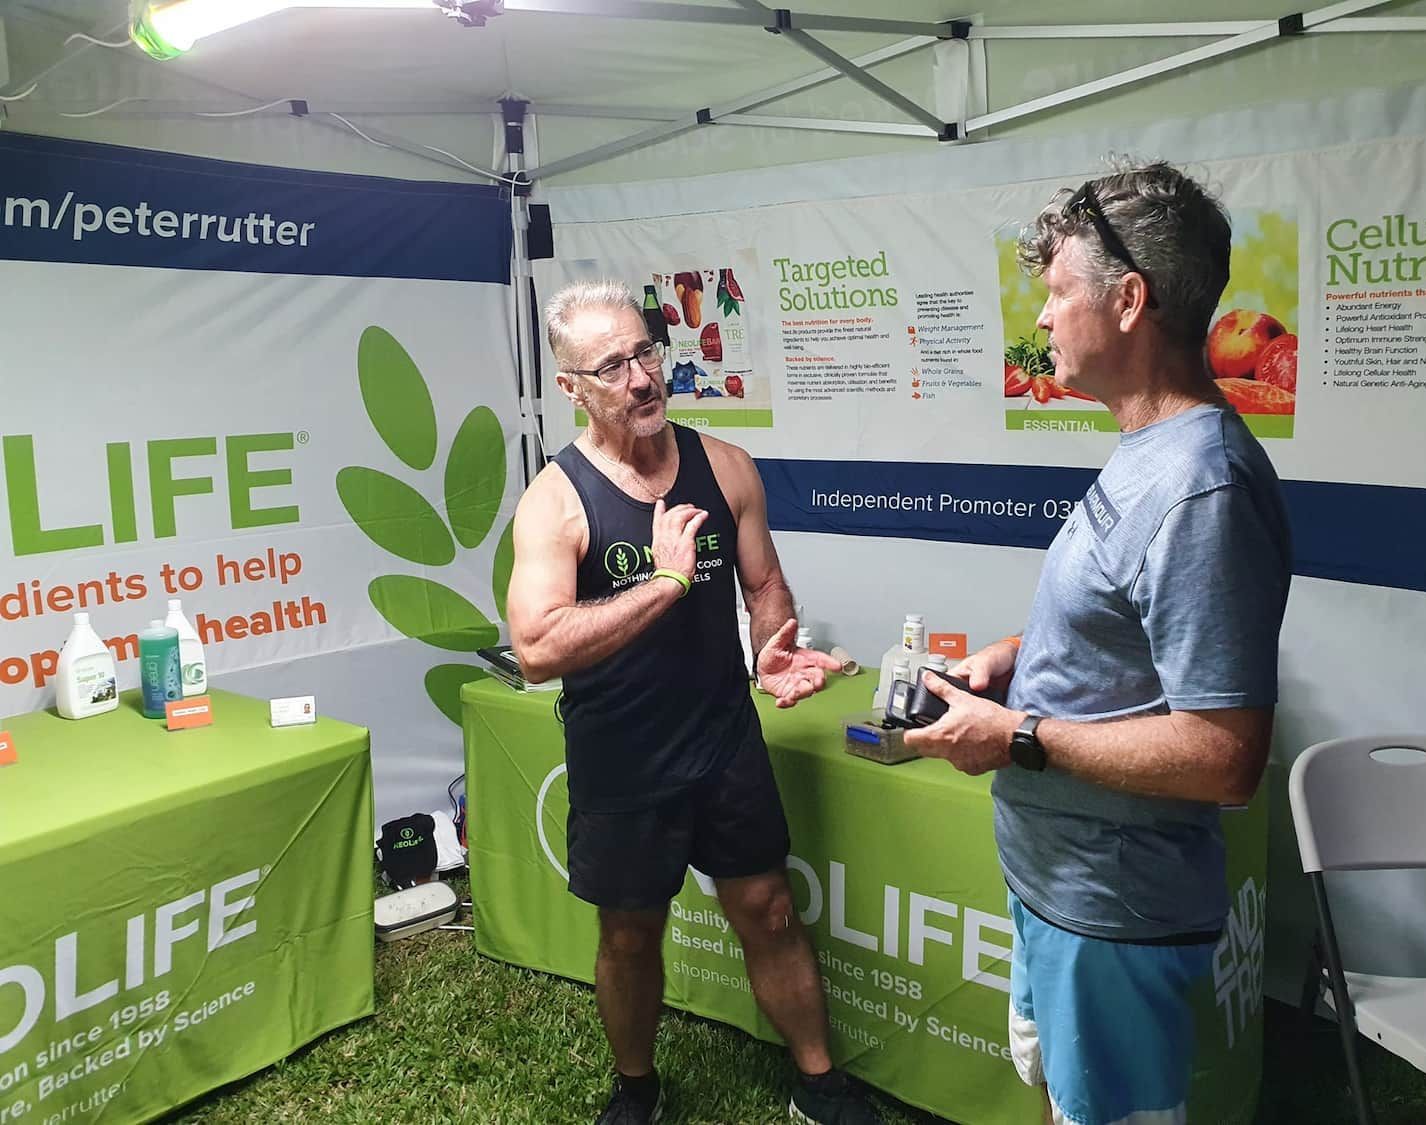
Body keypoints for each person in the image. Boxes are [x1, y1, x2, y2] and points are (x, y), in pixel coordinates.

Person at [906, 162, 1293, 1125]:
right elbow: (1122, 620)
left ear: (1128, 302)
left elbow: (1225, 756)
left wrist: (1021, 735)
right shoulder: (1150, 449)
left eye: (1055, 293)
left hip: (1111, 909)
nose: (1041, 321)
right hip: (1059, 885)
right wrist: (1012, 654)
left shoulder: (1203, 488)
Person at [506, 279, 880, 1125]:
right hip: (623, 752)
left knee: (770, 908)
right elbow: (535, 647)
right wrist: (665, 584)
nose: (640, 379)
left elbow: (766, 584)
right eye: (612, 366)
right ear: (572, 387)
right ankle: (637, 1088)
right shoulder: (557, 498)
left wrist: (771, 649)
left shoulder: (725, 466)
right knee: (630, 934)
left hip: (724, 738)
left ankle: (820, 1083)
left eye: (646, 352)